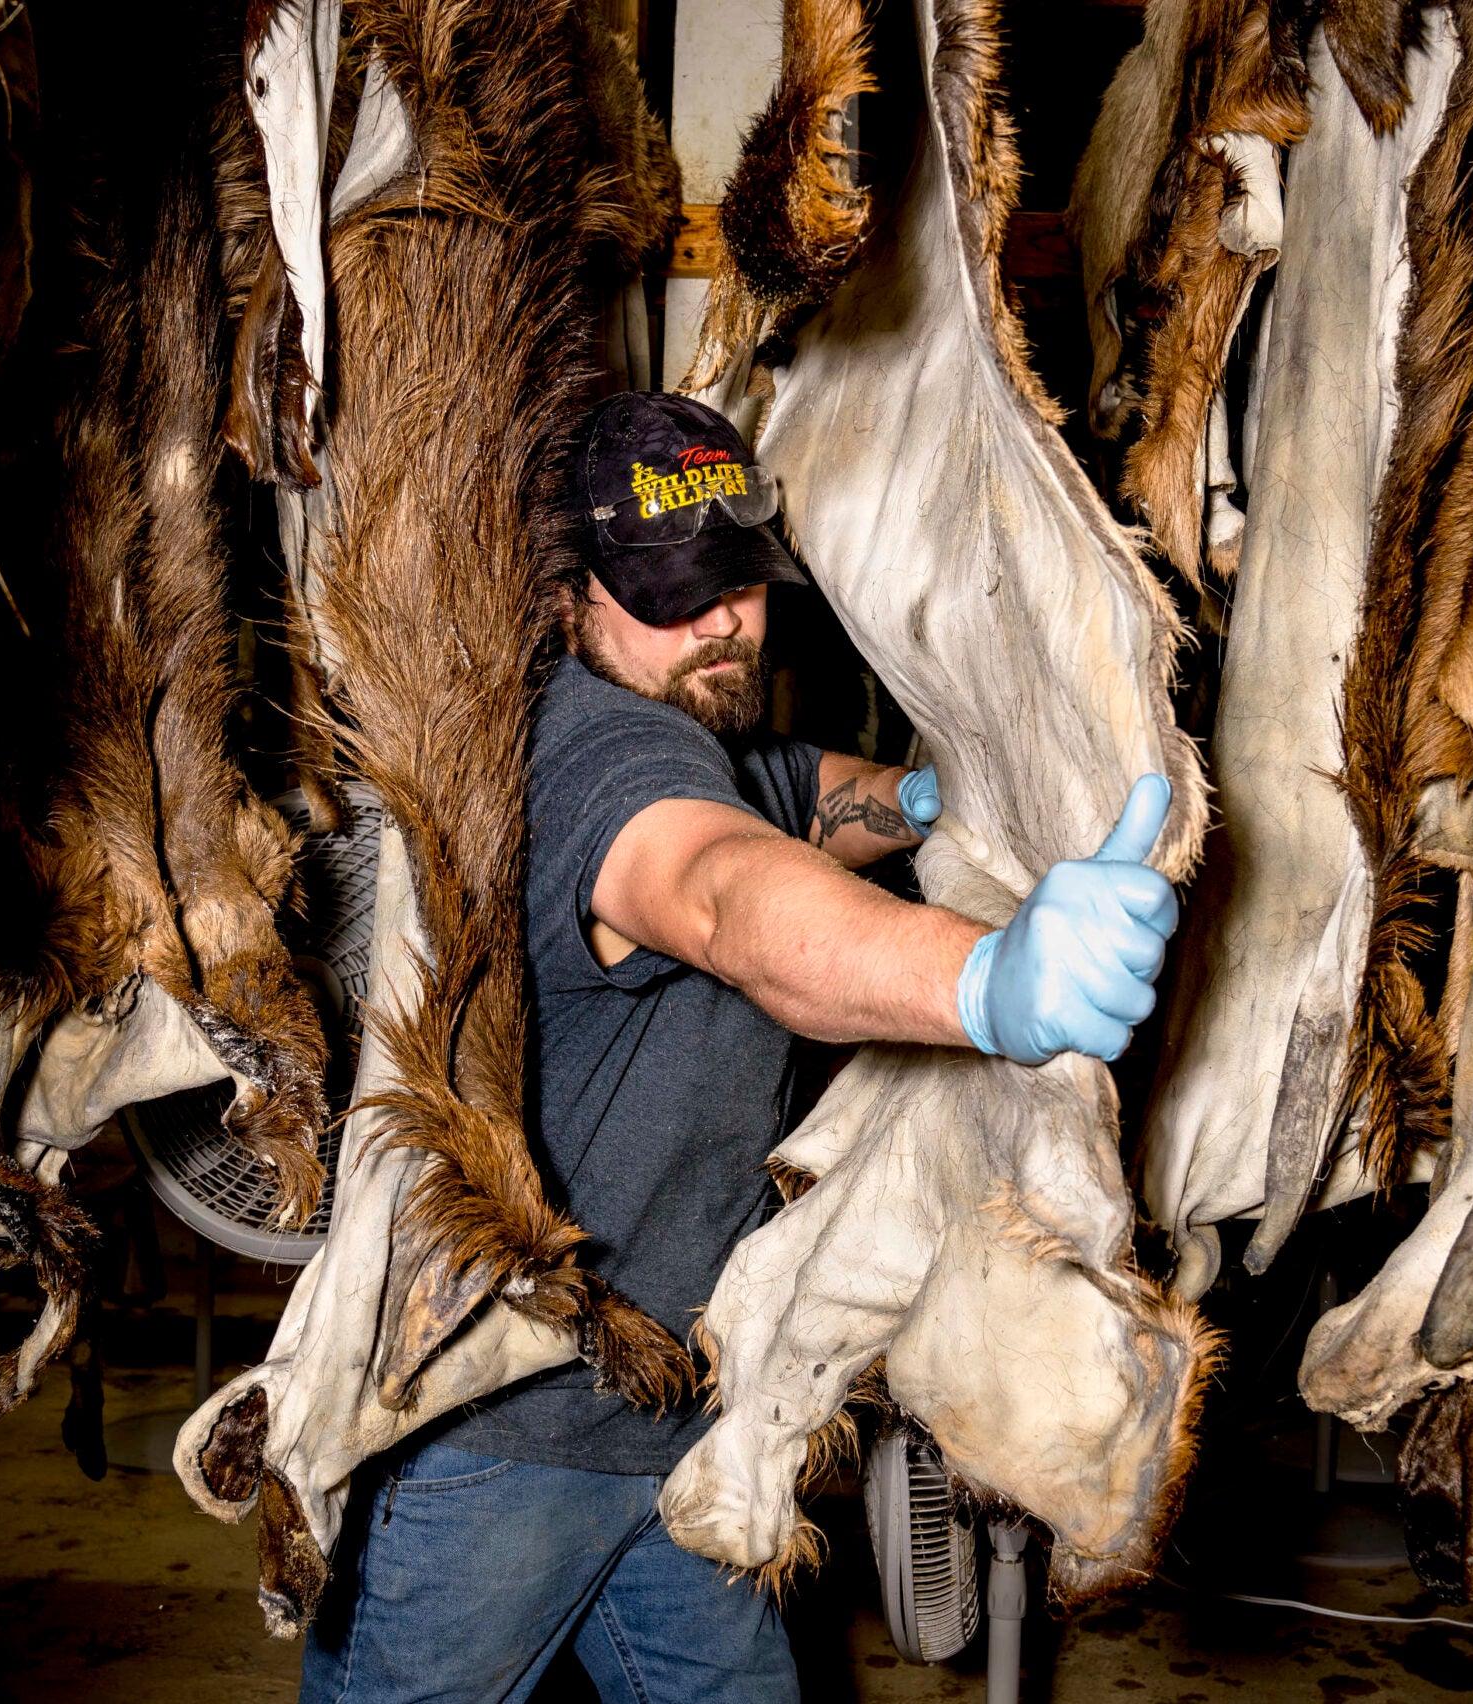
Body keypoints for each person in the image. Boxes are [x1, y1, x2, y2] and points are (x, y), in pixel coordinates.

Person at [297, 394, 1181, 1704]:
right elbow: (724, 894)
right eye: (671, 594)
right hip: (502, 1443)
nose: (721, 623)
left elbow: (797, 801)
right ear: (566, 602)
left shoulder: (692, 732)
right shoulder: (591, 750)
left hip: (678, 1420)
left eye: (742, 582)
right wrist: (986, 979)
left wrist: (947, 796)